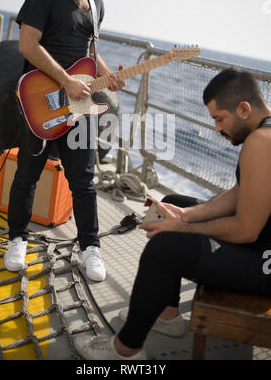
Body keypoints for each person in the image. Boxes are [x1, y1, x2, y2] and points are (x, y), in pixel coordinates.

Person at [74, 67, 271, 359]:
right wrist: (185, 214)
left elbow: (246, 230)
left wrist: (182, 228)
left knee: (166, 246)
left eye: (219, 119)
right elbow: (238, 194)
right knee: (170, 201)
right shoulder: (265, 131)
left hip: (263, 265)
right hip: (260, 245)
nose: (217, 128)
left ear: (243, 109)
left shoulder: (260, 142)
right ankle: (167, 317)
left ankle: (125, 350)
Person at [4, 0, 125, 281]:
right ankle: (17, 239)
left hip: (80, 106)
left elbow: (89, 51)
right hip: (41, 100)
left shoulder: (97, 6)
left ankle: (90, 248)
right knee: (28, 174)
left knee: (83, 180)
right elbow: (28, 45)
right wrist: (65, 80)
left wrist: (107, 75)